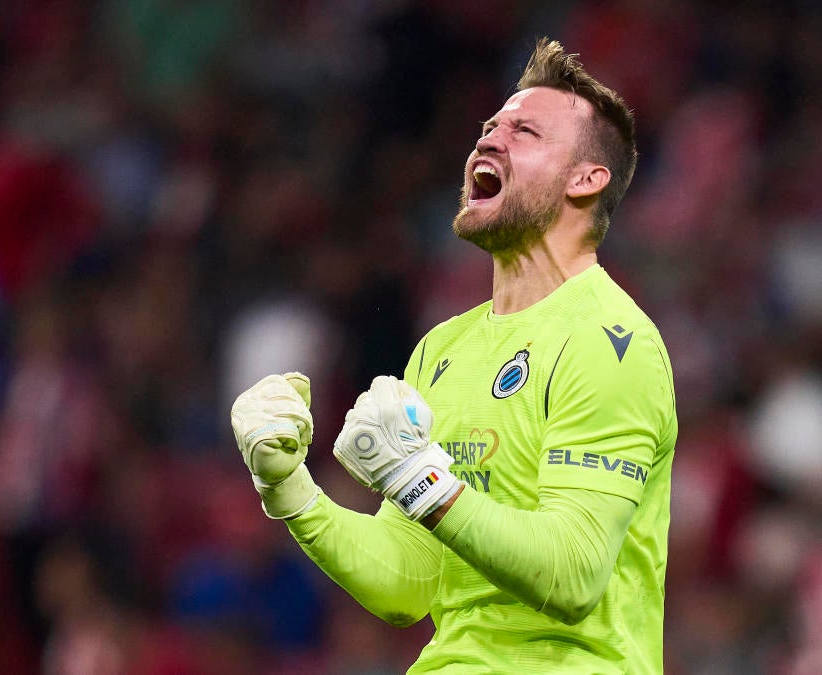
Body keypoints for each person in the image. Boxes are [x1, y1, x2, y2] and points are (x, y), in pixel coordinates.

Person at [230, 38, 677, 673]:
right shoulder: (442, 349)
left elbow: (574, 575)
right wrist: (289, 485)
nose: (488, 141)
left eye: (524, 133)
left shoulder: (610, 341)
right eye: (489, 128)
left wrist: (421, 480)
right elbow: (407, 584)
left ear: (586, 179)